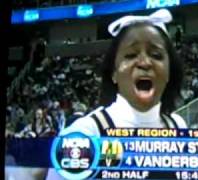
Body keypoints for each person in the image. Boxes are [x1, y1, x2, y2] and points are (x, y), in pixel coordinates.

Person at [45, 8, 187, 179]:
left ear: (169, 72)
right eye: (131, 55)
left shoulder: (178, 126)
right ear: (113, 73)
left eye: (156, 55)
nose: (144, 62)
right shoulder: (85, 133)